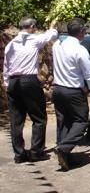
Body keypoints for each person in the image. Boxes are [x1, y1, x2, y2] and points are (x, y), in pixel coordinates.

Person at [52, 18, 90, 171]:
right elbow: (89, 73)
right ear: (81, 32)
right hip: (73, 91)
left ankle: (65, 155)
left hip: (58, 89)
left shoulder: (58, 45)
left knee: (63, 122)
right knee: (81, 120)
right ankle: (64, 148)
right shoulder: (80, 50)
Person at [3, 17, 58, 163]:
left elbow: (6, 67)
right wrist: (53, 25)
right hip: (28, 80)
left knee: (16, 119)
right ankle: (36, 151)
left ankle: (19, 154)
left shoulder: (11, 45)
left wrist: (7, 84)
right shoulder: (33, 40)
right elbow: (51, 35)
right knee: (39, 117)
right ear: (32, 26)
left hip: (13, 81)